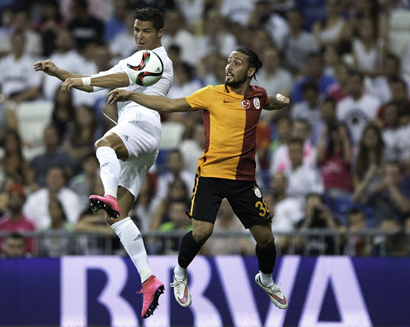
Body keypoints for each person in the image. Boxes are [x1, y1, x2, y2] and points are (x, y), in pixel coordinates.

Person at [108, 47, 290, 309]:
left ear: (250, 71)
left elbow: (266, 102)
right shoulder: (211, 94)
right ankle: (180, 272)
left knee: (266, 239)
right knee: (202, 232)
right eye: (228, 61)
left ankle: (266, 278)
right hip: (211, 175)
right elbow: (170, 105)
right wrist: (132, 95)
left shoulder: (257, 96)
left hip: (244, 180)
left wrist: (279, 102)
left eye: (236, 63)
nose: (229, 66)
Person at [34, 7, 172, 319]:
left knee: (103, 143)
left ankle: (107, 193)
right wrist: (59, 73)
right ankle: (148, 279)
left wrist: (83, 78)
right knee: (117, 218)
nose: (140, 35)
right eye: (136, 29)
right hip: (144, 141)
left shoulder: (157, 59)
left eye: (146, 31)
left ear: (160, 33)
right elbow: (97, 81)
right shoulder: (135, 58)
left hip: (141, 122)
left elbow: (119, 79)